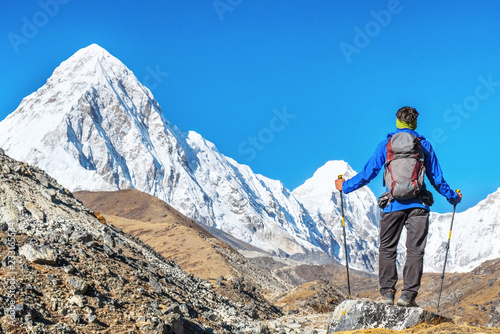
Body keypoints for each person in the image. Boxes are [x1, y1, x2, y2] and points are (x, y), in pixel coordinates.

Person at [335, 106, 462, 307]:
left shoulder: (386, 146)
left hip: (392, 204)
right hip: (418, 206)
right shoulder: (424, 146)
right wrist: (453, 197)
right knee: (415, 251)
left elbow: (367, 174)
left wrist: (345, 186)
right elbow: (437, 179)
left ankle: (387, 294)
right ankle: (408, 296)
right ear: (415, 123)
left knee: (387, 248)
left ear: (397, 121)